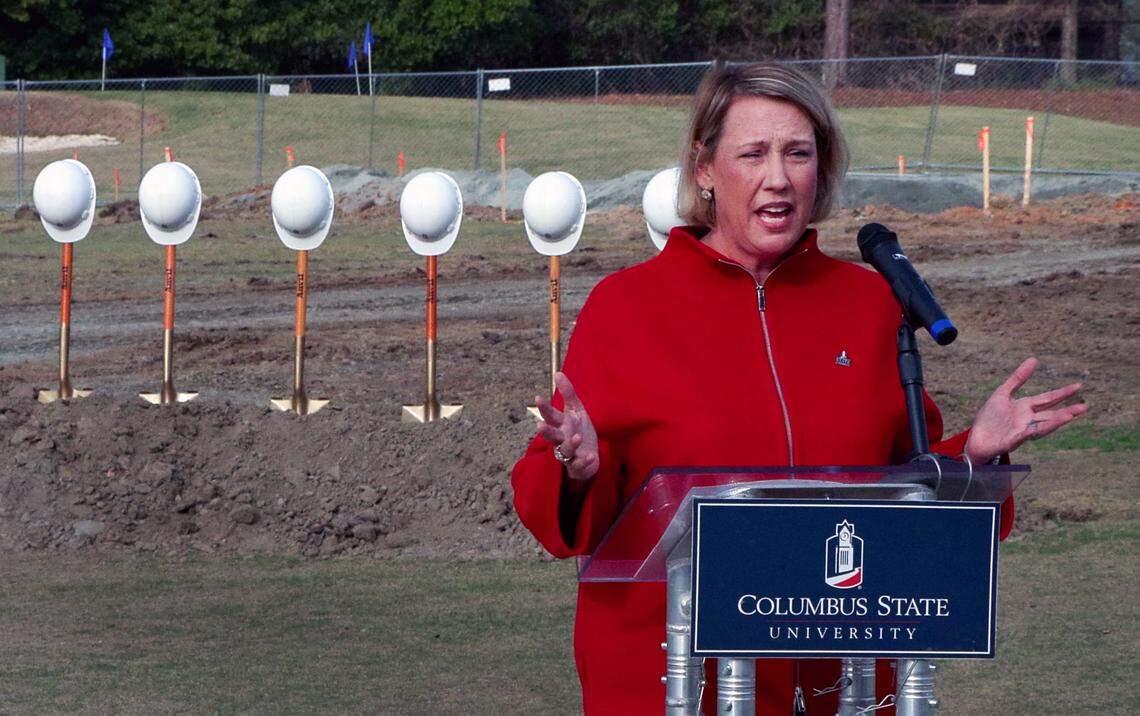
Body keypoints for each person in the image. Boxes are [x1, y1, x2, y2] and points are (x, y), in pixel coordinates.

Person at [510, 62, 1087, 715]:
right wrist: (580, 467)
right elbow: (551, 502)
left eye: (798, 153)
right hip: (671, 680)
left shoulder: (870, 304)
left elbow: (899, 483)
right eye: (753, 154)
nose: (778, 177)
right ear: (703, 168)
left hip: (843, 682)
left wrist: (974, 456)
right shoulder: (626, 307)